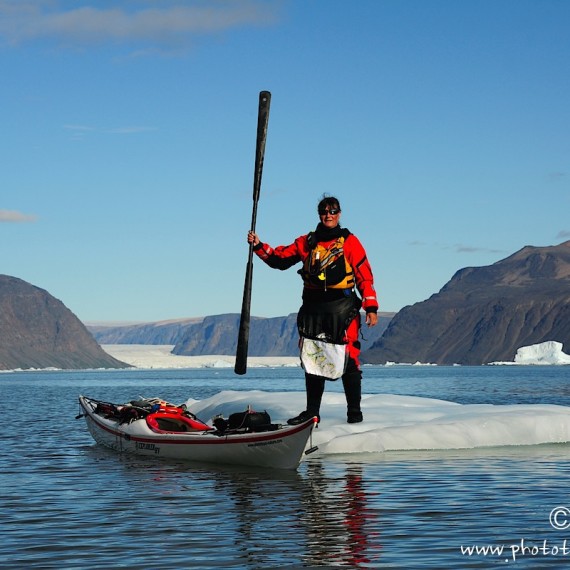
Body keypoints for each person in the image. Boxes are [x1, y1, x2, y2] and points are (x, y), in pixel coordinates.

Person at [247, 195, 378, 424]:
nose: (329, 215)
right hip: (313, 310)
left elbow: (364, 275)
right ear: (319, 214)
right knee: (313, 359)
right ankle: (312, 413)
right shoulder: (307, 242)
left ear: (339, 214)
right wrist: (259, 246)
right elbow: (279, 259)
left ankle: (354, 414)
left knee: (349, 359)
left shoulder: (350, 242)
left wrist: (371, 306)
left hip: (343, 310)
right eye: (324, 211)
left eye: (333, 211)